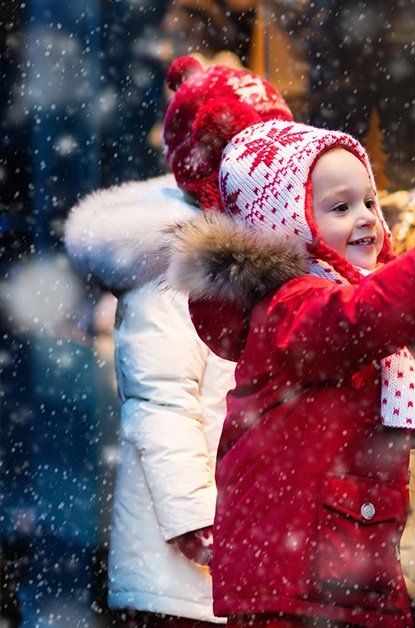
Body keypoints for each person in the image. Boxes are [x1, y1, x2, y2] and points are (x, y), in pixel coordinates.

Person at [166, 54, 415, 625]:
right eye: (340, 207)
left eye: (370, 201)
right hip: (301, 566)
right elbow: (357, 321)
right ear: (287, 222)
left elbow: (364, 341)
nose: (368, 218)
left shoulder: (334, 297)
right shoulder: (292, 304)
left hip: (340, 550)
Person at [62, 58, 293, 626]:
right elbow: (160, 402)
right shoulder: (177, 265)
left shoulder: (252, 250)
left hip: (241, 529)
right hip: (190, 556)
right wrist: (197, 520)